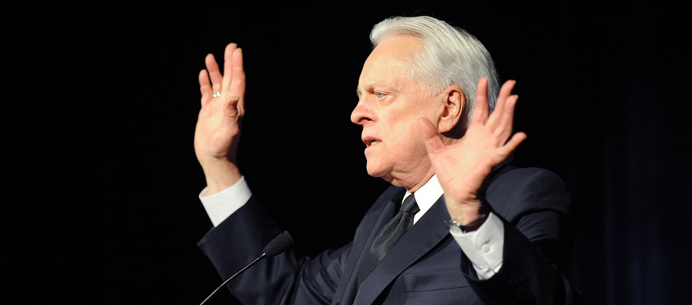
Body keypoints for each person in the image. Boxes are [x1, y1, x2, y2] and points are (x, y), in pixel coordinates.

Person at [194, 16, 582, 304]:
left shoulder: (521, 194)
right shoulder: (388, 216)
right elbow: (289, 291)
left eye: (380, 94)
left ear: (448, 108)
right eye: (360, 96)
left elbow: (537, 299)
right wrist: (218, 163)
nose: (356, 113)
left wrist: (469, 214)